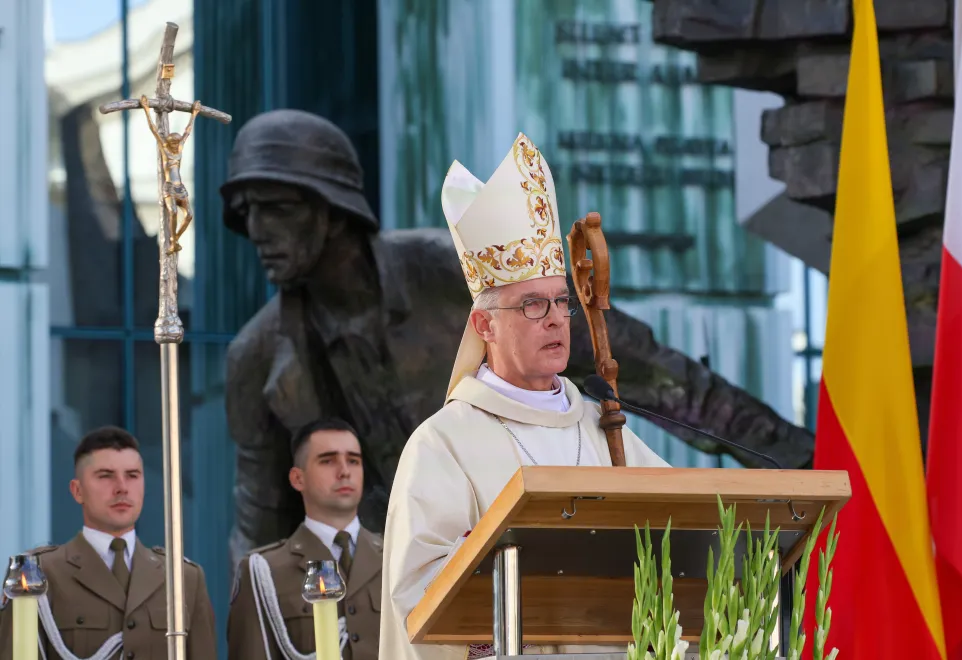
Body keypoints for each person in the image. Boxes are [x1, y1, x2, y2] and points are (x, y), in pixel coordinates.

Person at [221, 109, 813, 569]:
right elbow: (258, 527)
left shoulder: (444, 275)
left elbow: (648, 372)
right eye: (246, 214)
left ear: (331, 208)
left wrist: (799, 458)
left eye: (275, 209)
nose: (257, 232)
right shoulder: (258, 357)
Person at [378, 133, 672, 660]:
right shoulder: (444, 445)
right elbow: (416, 597)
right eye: (533, 305)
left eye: (561, 302)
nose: (557, 318)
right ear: (483, 324)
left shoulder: (603, 429)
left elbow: (690, 538)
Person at [0, 426, 216, 660]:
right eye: (106, 476)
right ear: (77, 490)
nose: (122, 487)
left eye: (132, 475)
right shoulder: (38, 574)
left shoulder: (184, 578)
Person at [227, 418, 382, 660]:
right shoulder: (265, 572)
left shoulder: (396, 558)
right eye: (328, 461)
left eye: (353, 460)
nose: (344, 471)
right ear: (298, 478)